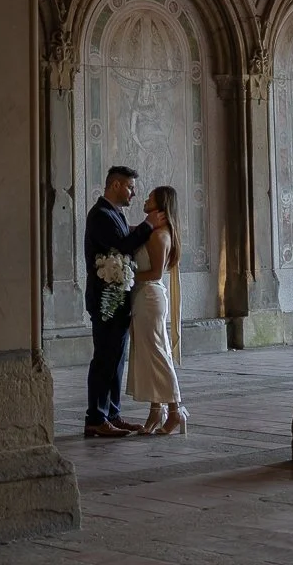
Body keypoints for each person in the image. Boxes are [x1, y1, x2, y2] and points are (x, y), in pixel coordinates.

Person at [84, 165, 167, 438]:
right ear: (116, 185)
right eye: (131, 187)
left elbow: (124, 238)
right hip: (106, 300)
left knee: (116, 358)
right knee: (105, 358)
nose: (134, 192)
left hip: (118, 298)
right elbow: (121, 246)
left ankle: (112, 414)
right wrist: (148, 225)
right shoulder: (100, 215)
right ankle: (96, 418)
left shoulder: (115, 213)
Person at [128, 185, 187, 435]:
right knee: (151, 353)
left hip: (149, 295)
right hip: (146, 296)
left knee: (158, 354)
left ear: (160, 205)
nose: (145, 199)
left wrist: (127, 274)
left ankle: (175, 411)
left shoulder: (159, 235)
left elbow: (154, 272)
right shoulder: (155, 231)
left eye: (150, 198)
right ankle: (156, 410)